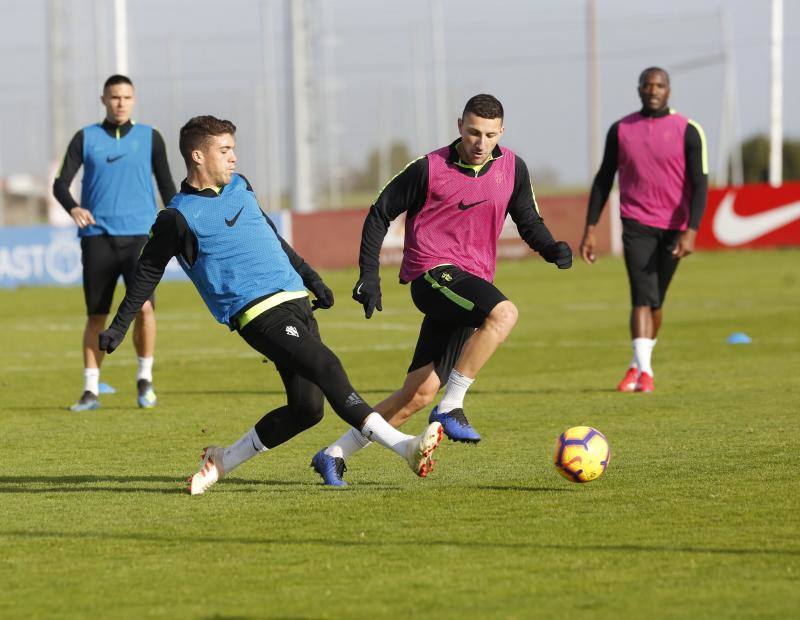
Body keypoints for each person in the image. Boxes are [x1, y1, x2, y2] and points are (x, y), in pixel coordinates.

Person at [97, 115, 443, 495]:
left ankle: (222, 460)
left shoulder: (242, 186)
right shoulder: (177, 217)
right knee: (327, 365)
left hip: (295, 301)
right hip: (258, 313)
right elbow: (147, 272)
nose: (233, 158)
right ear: (198, 156)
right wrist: (119, 325)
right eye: (224, 150)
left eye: (233, 149)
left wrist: (311, 278)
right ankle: (405, 447)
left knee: (306, 409)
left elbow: (270, 236)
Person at [310, 94, 573, 486]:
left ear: (501, 132)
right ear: (459, 126)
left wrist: (551, 248)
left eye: (488, 134)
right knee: (504, 313)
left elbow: (529, 220)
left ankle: (334, 454)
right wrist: (369, 274)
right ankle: (452, 407)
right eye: (472, 132)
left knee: (417, 394)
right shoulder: (429, 168)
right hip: (432, 274)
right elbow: (380, 211)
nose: (479, 142)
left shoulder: (513, 168)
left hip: (469, 284)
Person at [579, 67, 708, 393]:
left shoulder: (689, 130)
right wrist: (590, 228)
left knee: (656, 301)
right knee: (641, 295)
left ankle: (637, 365)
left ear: (668, 90)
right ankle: (646, 373)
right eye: (647, 85)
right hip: (636, 223)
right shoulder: (620, 129)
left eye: (659, 85)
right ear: (638, 89)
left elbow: (700, 184)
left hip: (674, 227)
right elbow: (603, 179)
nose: (653, 90)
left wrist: (691, 231)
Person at [53, 74, 176, 411]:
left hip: (140, 238)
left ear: (134, 99)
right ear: (103, 99)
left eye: (126, 97)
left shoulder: (151, 138)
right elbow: (60, 184)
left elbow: (167, 187)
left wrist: (182, 224)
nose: (120, 102)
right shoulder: (85, 138)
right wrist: (74, 207)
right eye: (114, 97)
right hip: (97, 239)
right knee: (97, 315)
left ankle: (144, 380)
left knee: (144, 308)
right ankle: (91, 390)